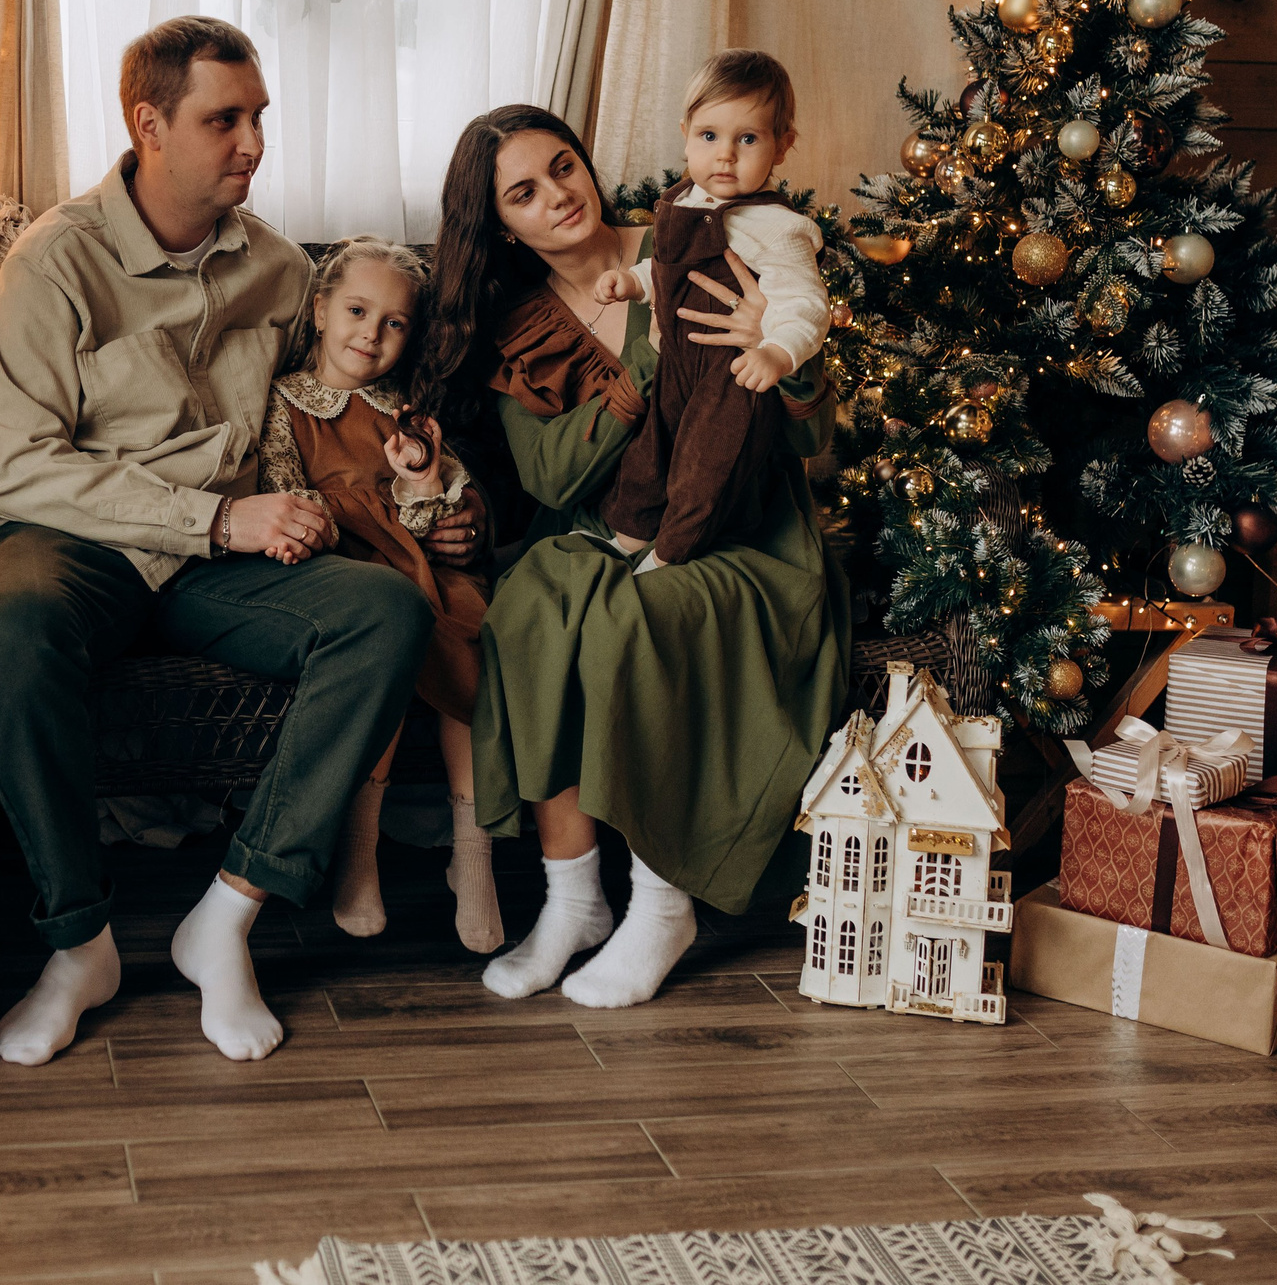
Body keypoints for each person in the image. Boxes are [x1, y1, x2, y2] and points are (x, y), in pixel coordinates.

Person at [0, 15, 477, 1067]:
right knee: (10, 631)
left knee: (385, 612)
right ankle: (79, 945)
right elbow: (16, 469)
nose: (253, 142)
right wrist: (216, 518)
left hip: (223, 563)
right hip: (75, 542)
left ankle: (227, 914)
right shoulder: (52, 263)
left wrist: (429, 492)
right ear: (147, 124)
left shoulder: (281, 269)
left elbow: (337, 404)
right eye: (223, 119)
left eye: (259, 117)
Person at [416, 103, 849, 1010]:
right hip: (598, 527)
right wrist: (651, 361)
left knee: (638, 614)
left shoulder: (696, 238)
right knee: (530, 603)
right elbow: (551, 473)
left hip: (742, 531)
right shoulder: (518, 324)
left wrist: (778, 349)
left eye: (562, 166)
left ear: (586, 163)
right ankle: (574, 899)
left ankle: (661, 904)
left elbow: (812, 437)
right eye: (523, 193)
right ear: (502, 225)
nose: (557, 195)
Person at [253, 237, 501, 952]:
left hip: (427, 568)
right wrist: (344, 524)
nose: (372, 334)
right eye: (358, 312)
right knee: (379, 647)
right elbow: (287, 496)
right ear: (321, 310)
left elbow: (443, 506)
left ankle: (474, 856)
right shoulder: (286, 402)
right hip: (348, 569)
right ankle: (359, 853)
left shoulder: (409, 415)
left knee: (468, 630)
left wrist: (423, 491)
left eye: (394, 322)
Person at [592, 51, 831, 567]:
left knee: (706, 466)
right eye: (709, 136)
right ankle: (629, 537)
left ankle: (671, 553)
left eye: (747, 139)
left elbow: (806, 303)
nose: (725, 155)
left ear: (782, 146)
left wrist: (777, 353)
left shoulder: (778, 228)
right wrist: (633, 282)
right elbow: (670, 268)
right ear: (685, 136)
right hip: (678, 362)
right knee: (651, 452)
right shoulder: (683, 201)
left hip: (734, 376)